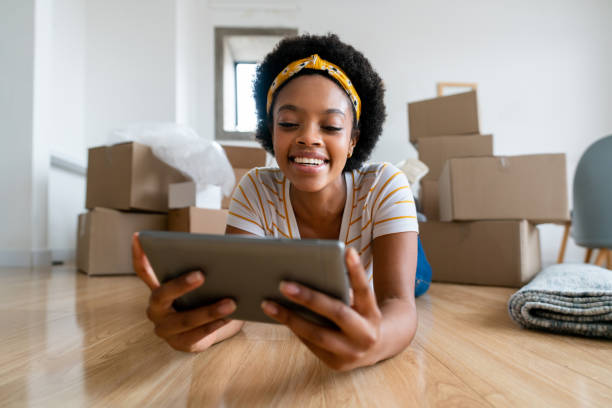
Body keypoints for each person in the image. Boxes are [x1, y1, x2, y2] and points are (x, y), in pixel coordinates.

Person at [132, 33, 431, 371]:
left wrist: (378, 339)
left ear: (353, 141)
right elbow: (237, 303)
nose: (309, 137)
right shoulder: (256, 190)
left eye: (331, 126)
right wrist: (206, 330)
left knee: (416, 282)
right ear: (271, 132)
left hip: (385, 263)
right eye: (289, 123)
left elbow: (398, 304)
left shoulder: (385, 184)